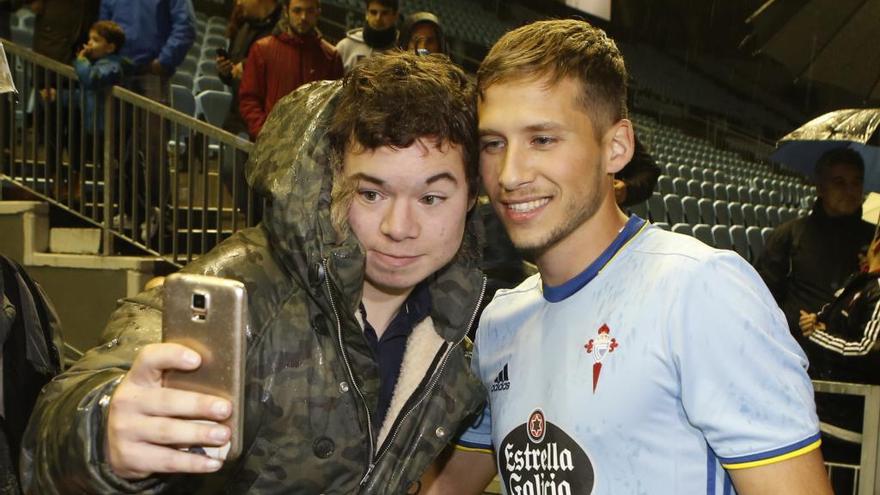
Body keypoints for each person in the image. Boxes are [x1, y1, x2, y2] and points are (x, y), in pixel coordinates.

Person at [21, 52, 487, 494]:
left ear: (471, 199)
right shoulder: (240, 289)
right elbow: (53, 431)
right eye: (371, 194)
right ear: (332, 186)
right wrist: (102, 431)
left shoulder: (453, 344)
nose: (399, 228)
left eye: (431, 198)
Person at [425, 19, 832, 494]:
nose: (510, 174)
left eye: (543, 139)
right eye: (494, 144)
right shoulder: (501, 321)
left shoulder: (701, 290)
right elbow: (443, 488)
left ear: (616, 147)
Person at [756, 147, 874, 348]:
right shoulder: (789, 235)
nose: (850, 190)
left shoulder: (875, 241)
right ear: (820, 187)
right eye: (839, 182)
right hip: (798, 352)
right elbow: (762, 299)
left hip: (852, 357)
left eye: (856, 182)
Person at [239, 0, 343, 140]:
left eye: (309, 11)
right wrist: (265, 134)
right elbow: (249, 99)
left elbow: (336, 107)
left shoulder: (330, 56)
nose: (303, 17)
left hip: (312, 150)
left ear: (318, 12)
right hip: (271, 146)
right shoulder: (262, 50)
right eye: (297, 11)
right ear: (286, 11)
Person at [99, 0, 195, 104]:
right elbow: (103, 30)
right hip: (115, 74)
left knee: (150, 118)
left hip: (151, 75)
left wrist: (163, 62)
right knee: (113, 119)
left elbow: (185, 27)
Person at [217, 0, 281, 138]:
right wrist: (226, 72)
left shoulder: (283, 32)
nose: (238, 3)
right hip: (237, 120)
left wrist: (248, 68)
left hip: (262, 127)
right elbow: (234, 70)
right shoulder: (245, 27)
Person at [335, 0, 398, 73]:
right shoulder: (345, 46)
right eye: (373, 12)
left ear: (395, 15)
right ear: (366, 14)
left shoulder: (402, 47)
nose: (378, 18)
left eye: (385, 13)